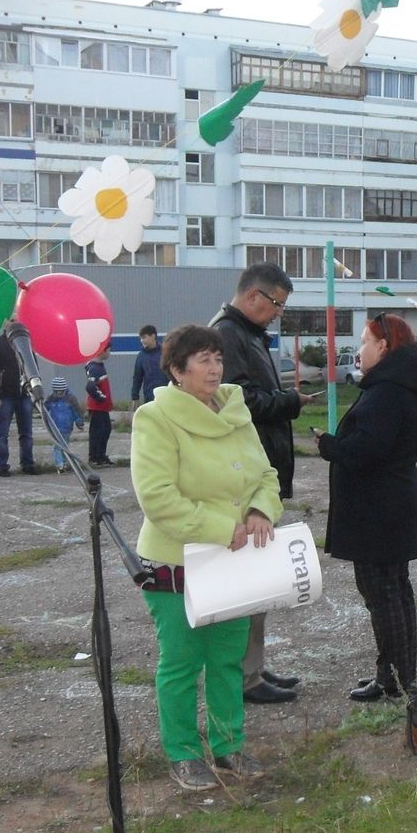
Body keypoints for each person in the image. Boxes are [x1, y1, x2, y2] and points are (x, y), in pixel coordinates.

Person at [130, 325, 283, 791]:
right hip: (177, 561)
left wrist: (261, 510)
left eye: (217, 357)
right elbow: (157, 497)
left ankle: (228, 746)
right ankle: (181, 753)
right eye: (202, 359)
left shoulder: (235, 411)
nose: (214, 367)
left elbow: (266, 474)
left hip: (234, 561)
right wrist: (223, 529)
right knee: (181, 660)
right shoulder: (155, 419)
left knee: (227, 658)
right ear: (177, 370)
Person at [313, 312, 417, 701]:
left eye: (364, 342)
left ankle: (395, 680)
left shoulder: (387, 390)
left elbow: (368, 449)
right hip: (392, 502)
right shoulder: (403, 384)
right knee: (395, 591)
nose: (359, 350)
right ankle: (397, 675)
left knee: (383, 595)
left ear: (384, 346)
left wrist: (331, 446)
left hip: (379, 509)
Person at [210, 262, 313, 704]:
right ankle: (243, 678)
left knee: (256, 583)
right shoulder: (226, 337)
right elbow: (239, 402)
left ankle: (252, 669)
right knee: (245, 582)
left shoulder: (245, 334)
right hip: (241, 479)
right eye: (277, 305)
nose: (277, 314)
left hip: (256, 476)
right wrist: (290, 401)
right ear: (254, 297)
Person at [0, 317, 40, 476]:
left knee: (27, 432)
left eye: (17, 320)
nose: (15, 322)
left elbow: (33, 366)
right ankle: (2, 465)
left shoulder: (26, 342)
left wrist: (36, 390)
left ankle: (28, 463)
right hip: (4, 395)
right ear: (5, 322)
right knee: (2, 432)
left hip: (24, 395)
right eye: (12, 319)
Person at [44, 377, 84, 472]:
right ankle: (60, 465)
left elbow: (76, 411)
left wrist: (79, 422)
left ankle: (64, 463)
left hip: (67, 427)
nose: (59, 394)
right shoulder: (51, 399)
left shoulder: (70, 399)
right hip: (55, 427)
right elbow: (44, 409)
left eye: (61, 391)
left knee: (65, 446)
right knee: (58, 446)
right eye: (56, 391)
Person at [85, 347, 114, 466]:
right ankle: (94, 457)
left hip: (102, 407)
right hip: (97, 407)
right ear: (103, 351)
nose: (109, 353)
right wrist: (102, 397)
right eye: (109, 350)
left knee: (105, 430)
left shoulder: (99, 366)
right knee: (97, 432)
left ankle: (101, 456)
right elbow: (90, 387)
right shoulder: (95, 368)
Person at [131, 324, 168, 407]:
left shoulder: (166, 353)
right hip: (150, 398)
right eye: (140, 338)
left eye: (144, 337)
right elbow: (137, 378)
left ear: (153, 336)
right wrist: (135, 396)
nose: (142, 340)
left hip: (167, 396)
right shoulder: (141, 356)